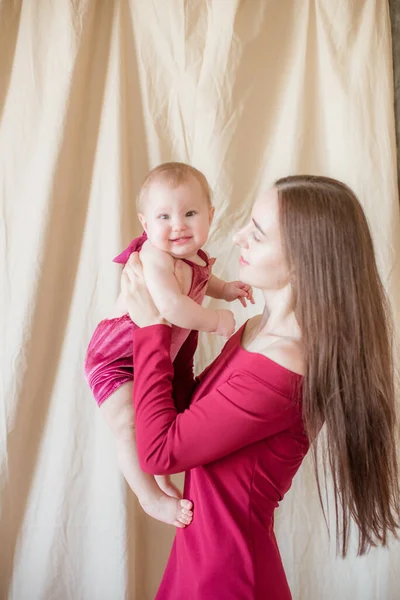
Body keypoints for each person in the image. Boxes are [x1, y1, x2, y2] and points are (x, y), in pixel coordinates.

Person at [120, 175, 400, 600]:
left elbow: (161, 450)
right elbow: (183, 412)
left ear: (303, 261)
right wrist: (176, 314)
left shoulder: (286, 368)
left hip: (229, 577)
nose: (237, 237)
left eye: (257, 233)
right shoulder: (257, 331)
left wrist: (152, 329)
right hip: (197, 560)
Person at [84, 162, 254, 528]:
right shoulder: (154, 257)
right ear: (145, 224)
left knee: (166, 415)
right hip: (114, 358)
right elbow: (172, 307)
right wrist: (216, 320)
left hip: (159, 355)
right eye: (164, 216)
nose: (178, 225)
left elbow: (202, 280)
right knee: (128, 423)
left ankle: (162, 476)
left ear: (210, 215)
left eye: (190, 213)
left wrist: (225, 290)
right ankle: (150, 498)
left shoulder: (192, 257)